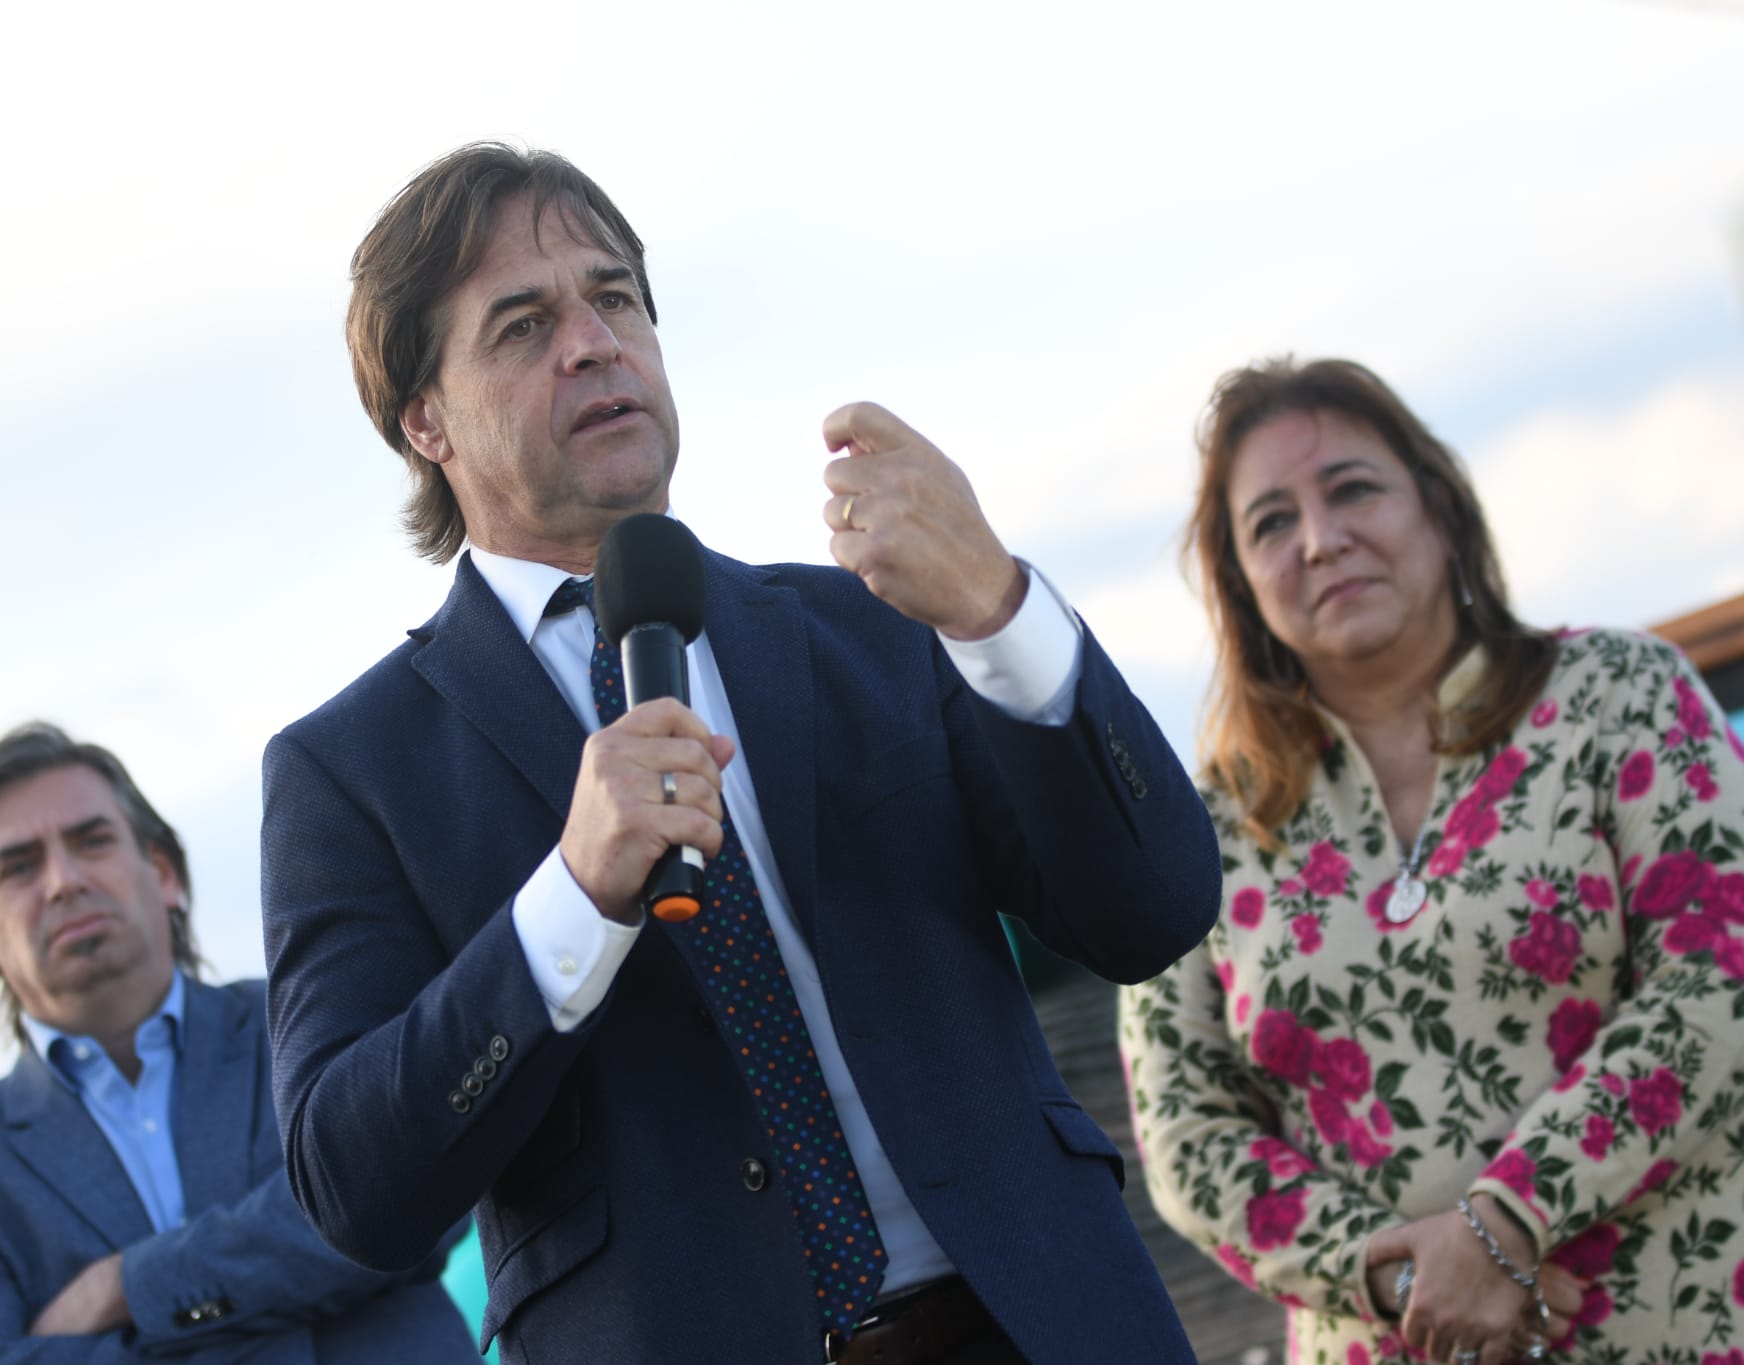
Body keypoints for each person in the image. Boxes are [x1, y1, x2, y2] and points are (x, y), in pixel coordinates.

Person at [257, 142, 1223, 1365]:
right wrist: (569, 902)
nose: (592, 343)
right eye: (520, 325)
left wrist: (999, 613)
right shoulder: (349, 772)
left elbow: (1156, 906)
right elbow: (351, 1187)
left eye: (614, 299)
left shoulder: (869, 627)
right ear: (424, 421)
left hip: (1043, 1328)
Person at [1117, 357, 1744, 1365]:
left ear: (1439, 512)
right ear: (1238, 583)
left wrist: (1506, 1219)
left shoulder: (1621, 695)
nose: (1320, 540)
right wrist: (1405, 1275)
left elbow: (1717, 981)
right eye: (1270, 522)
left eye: (1352, 489)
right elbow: (1187, 1138)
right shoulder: (1203, 831)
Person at [0, 722, 477, 1364]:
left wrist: (127, 1288)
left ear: (162, 872)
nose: (62, 881)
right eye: (20, 866)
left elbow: (413, 1200)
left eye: (91, 840)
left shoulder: (320, 1014)